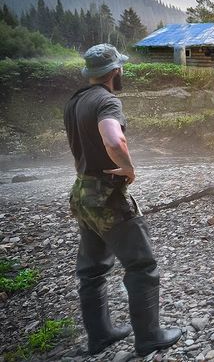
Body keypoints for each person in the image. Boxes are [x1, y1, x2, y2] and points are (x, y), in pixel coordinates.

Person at [64, 44, 181, 356]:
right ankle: (149, 337)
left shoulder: (76, 101)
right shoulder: (106, 100)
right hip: (107, 198)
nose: (123, 72)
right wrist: (128, 167)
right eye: (121, 68)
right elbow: (113, 138)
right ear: (115, 71)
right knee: (142, 265)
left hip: (82, 195)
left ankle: (100, 335)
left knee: (92, 270)